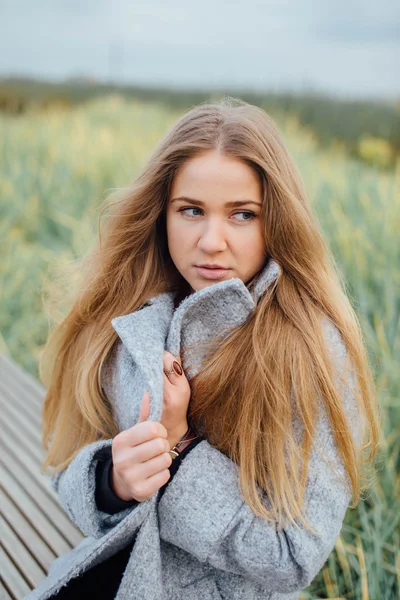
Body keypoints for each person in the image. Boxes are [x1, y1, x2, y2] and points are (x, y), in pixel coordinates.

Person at [26, 96, 379, 600]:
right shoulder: (127, 316)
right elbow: (62, 463)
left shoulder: (312, 351)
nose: (212, 241)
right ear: (161, 214)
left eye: (242, 215)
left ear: (276, 220)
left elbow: (294, 555)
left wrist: (179, 452)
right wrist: (112, 481)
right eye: (191, 210)